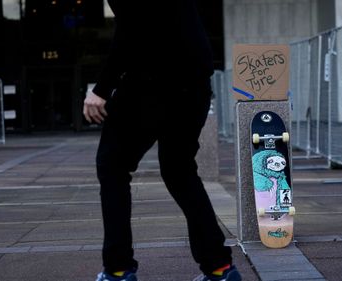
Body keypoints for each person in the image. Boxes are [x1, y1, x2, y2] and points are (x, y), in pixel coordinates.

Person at [83, 1, 242, 281]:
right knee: (179, 170)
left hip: (152, 82)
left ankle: (118, 270)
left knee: (112, 165)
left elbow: (130, 27)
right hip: (193, 85)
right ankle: (219, 267)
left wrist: (102, 89)